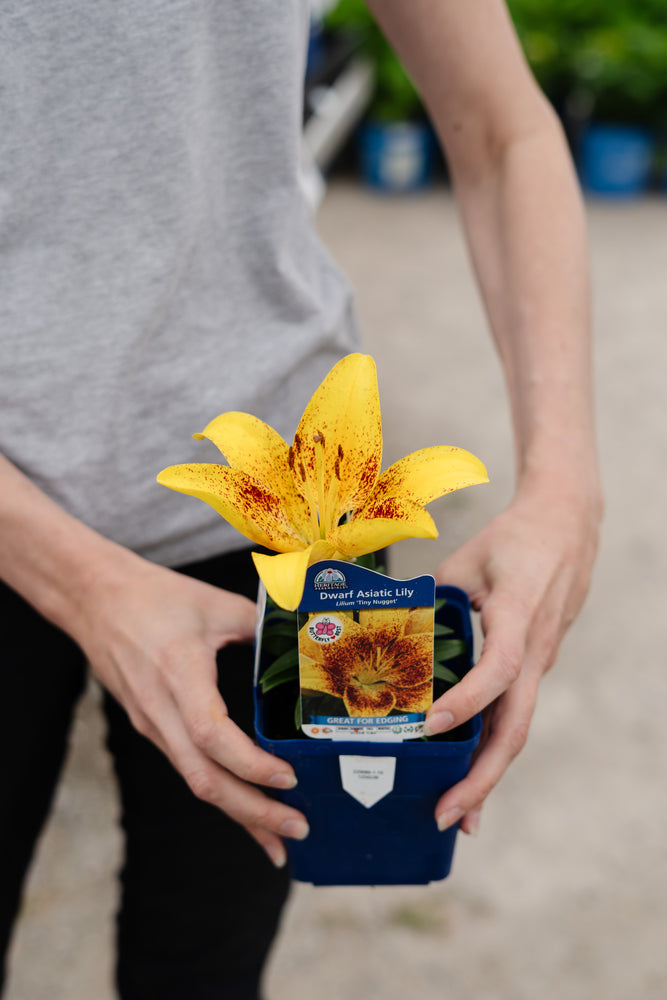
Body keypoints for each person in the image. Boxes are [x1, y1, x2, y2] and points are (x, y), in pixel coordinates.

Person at [0, 1, 602, 997]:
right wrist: (84, 583)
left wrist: (564, 489)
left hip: (278, 537)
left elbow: (506, 131)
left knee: (208, 965)